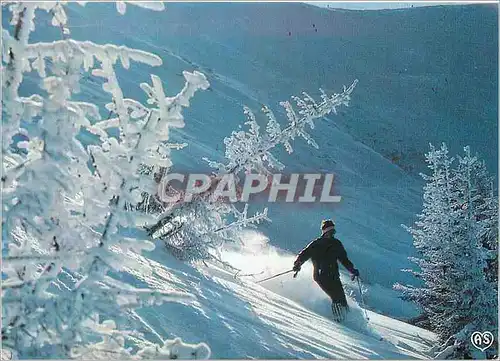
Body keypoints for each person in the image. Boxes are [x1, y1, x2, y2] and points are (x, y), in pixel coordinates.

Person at [293, 219, 359, 321]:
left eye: (333, 232)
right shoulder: (316, 244)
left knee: (342, 299)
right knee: (335, 297)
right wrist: (298, 264)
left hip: (334, 275)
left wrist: (352, 270)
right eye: (330, 232)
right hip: (320, 275)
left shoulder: (336, 244)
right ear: (325, 232)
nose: (332, 234)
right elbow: (304, 254)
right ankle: (339, 320)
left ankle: (350, 321)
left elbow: (344, 259)